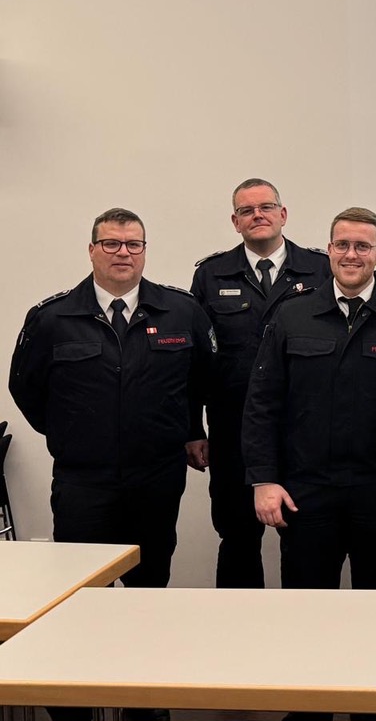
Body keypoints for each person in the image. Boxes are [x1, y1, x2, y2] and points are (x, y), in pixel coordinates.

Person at [10, 210, 218, 721]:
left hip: (156, 477)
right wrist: (71, 433)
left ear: (145, 250)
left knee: (149, 592)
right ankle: (79, 702)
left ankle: (144, 702)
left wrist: (190, 428)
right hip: (85, 480)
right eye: (111, 243)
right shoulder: (53, 317)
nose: (123, 252)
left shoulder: (181, 311)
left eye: (133, 244)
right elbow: (26, 388)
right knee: (79, 597)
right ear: (92, 250)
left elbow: (203, 380)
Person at [242, 207, 376, 601]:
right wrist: (264, 479)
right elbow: (262, 403)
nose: (351, 255)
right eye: (342, 245)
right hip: (307, 492)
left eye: (362, 246)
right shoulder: (293, 314)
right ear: (329, 250)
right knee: (306, 608)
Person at [189, 178, 329, 588]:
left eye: (266, 207)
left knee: (304, 543)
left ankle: (297, 623)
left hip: (303, 432)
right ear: (235, 222)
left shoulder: (320, 269)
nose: (258, 215)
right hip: (232, 430)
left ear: (283, 214)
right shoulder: (211, 274)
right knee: (237, 537)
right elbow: (196, 360)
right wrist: (192, 428)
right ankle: (237, 623)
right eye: (246, 211)